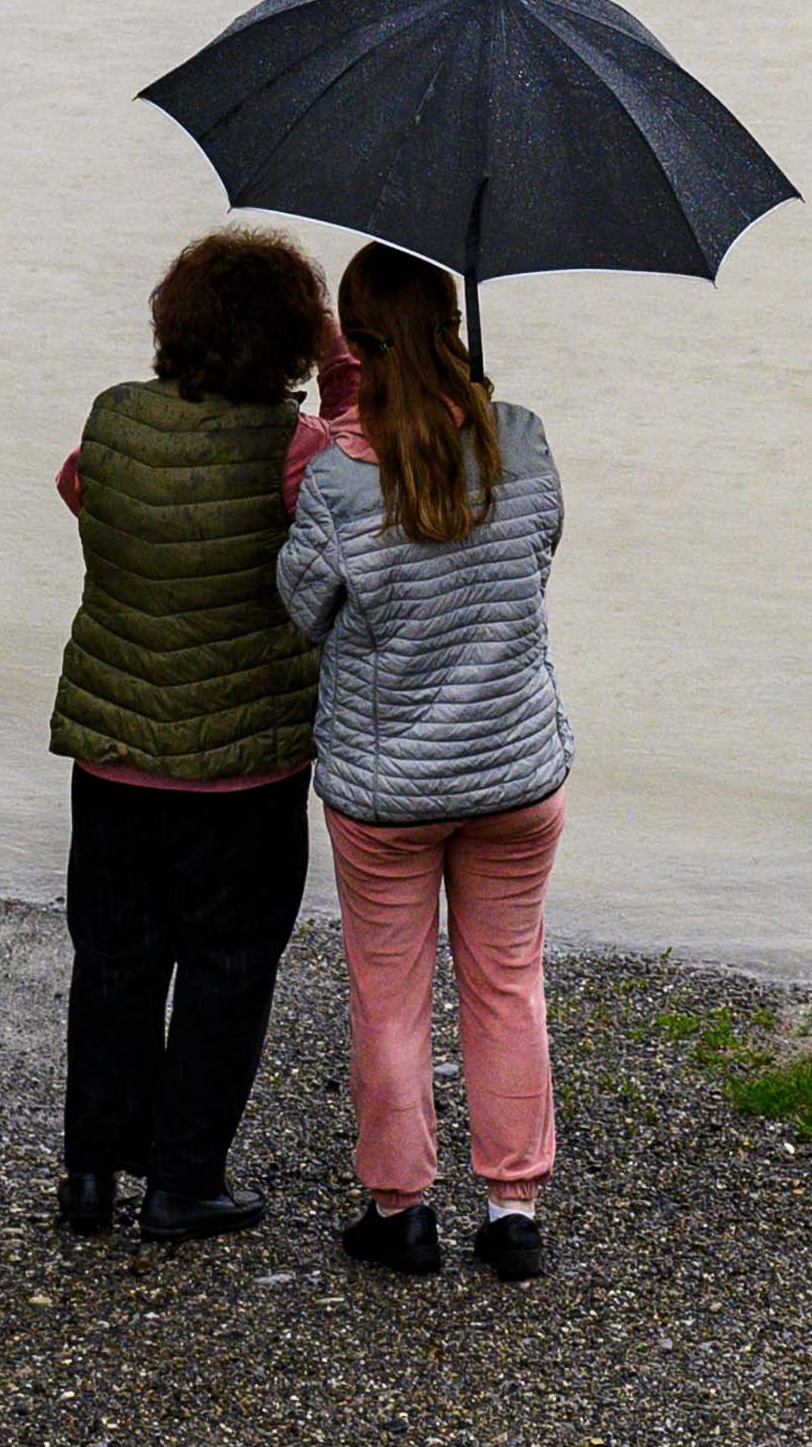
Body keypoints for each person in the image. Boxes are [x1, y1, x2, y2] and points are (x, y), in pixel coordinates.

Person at [43, 228, 340, 1243]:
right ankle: (183, 1180)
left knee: (115, 958)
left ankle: (91, 1175)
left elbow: (76, 486)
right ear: (294, 343)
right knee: (227, 965)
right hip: (247, 770)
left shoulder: (114, 419)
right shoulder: (296, 452)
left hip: (114, 752)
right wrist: (338, 369)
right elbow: (342, 533)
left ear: (173, 321)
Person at [281, 242, 569, 1283]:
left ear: (354, 345)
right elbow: (537, 558)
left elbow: (304, 607)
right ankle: (512, 1210)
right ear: (452, 326)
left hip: (386, 787)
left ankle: (402, 1210)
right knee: (506, 982)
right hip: (515, 769)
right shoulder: (523, 440)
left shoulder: (337, 478)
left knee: (390, 994)